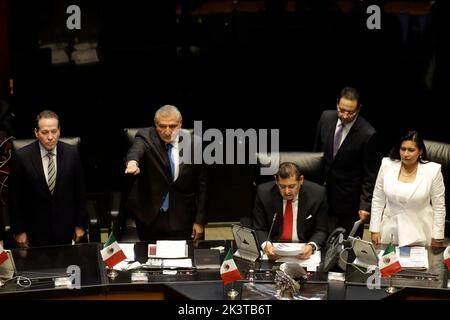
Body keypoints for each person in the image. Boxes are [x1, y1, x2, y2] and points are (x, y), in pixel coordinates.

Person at [125, 105, 207, 240]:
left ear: (180, 124)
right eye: (162, 126)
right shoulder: (146, 136)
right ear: (156, 125)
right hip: (150, 215)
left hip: (182, 215)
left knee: (181, 258)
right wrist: (132, 162)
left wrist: (199, 221)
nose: (167, 131)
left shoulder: (194, 144)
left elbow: (203, 185)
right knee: (148, 259)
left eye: (172, 126)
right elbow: (136, 150)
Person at [10, 110, 87, 247]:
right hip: (35, 232)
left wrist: (80, 225)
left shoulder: (72, 153)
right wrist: (19, 230)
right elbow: (14, 198)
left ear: (59, 131)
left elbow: (80, 192)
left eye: (54, 131)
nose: (50, 137)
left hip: (66, 229)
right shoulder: (22, 157)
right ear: (36, 132)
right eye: (45, 132)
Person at [314, 86, 379, 238]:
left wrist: (365, 205)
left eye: (350, 112)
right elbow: (316, 155)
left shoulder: (367, 134)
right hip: (323, 194)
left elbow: (370, 174)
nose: (344, 115)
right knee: (321, 240)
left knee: (344, 248)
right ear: (337, 103)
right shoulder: (326, 117)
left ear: (358, 108)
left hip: (348, 200)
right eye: (341, 110)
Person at [370, 130, 446, 247]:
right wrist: (375, 229)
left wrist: (438, 237)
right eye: (403, 149)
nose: (406, 154)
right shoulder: (387, 164)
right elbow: (377, 199)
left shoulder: (433, 171)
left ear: (420, 151)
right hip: (390, 231)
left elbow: (439, 207)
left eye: (411, 150)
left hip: (420, 233)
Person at [252, 162, 328, 260]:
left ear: (301, 180)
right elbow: (259, 228)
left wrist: (311, 246)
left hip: (303, 249)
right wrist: (266, 245)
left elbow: (321, 230)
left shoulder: (317, 194)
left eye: (292, 186)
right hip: (275, 249)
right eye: (282, 186)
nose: (287, 192)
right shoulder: (263, 193)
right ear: (276, 180)